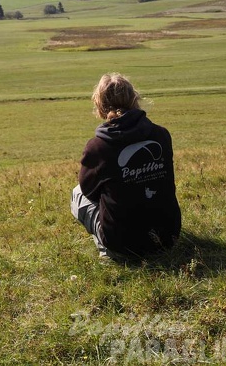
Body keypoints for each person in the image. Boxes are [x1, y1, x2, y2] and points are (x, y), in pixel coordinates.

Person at [71, 73, 181, 261]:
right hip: (168, 237)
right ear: (134, 99)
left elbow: (89, 192)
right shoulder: (161, 135)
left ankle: (108, 249)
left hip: (122, 245)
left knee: (77, 193)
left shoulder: (98, 147)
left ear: (100, 105)